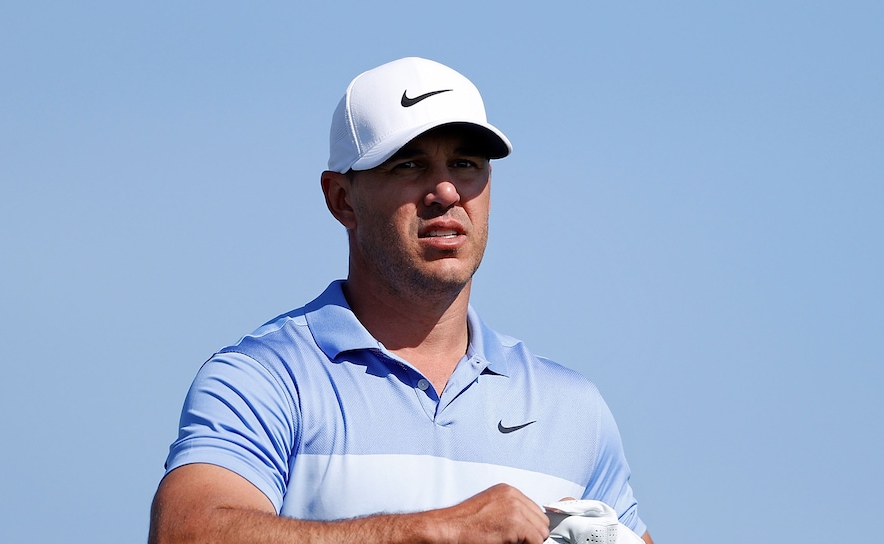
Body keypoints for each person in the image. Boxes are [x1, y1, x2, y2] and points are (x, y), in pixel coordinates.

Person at [148, 57, 653, 544]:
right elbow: (185, 533)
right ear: (341, 199)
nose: (447, 191)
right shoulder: (265, 379)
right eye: (409, 165)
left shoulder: (572, 409)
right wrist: (436, 530)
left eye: (466, 163)